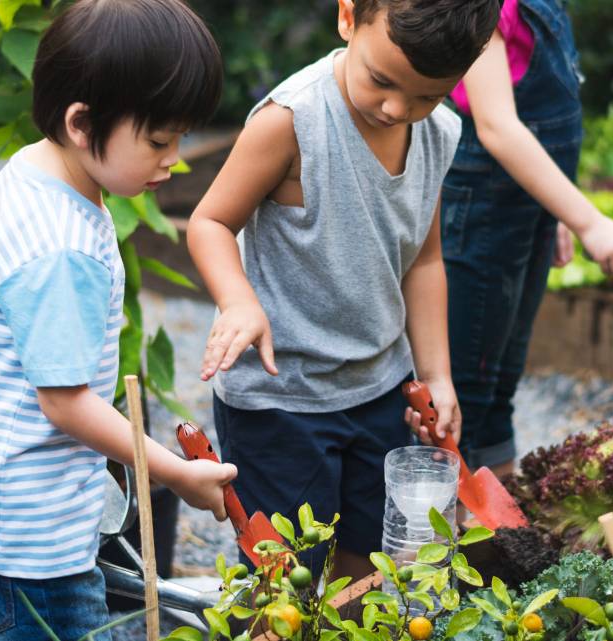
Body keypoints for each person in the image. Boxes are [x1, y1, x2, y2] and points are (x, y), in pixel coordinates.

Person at [0, 2, 236, 639]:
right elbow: (64, 403)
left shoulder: (28, 173)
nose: (175, 160)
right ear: (82, 124)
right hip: (24, 541)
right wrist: (173, 473)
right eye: (159, 140)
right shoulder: (64, 247)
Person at [187, 0, 501, 579]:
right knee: (286, 578)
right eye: (381, 80)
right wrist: (238, 299)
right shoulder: (291, 120)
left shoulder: (438, 133)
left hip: (381, 389)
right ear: (348, 16)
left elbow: (425, 260)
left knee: (371, 561)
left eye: (426, 95)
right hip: (283, 402)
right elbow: (210, 222)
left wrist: (437, 375)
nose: (397, 107)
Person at [440, 0, 613, 477]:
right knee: (468, 384)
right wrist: (591, 223)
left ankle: (501, 525)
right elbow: (497, 125)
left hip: (525, 199)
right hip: (484, 204)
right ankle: (450, 534)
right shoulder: (481, 7)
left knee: (502, 378)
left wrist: (555, 210)